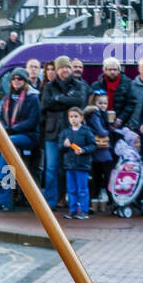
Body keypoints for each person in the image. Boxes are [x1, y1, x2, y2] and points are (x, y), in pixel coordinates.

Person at [40, 56, 89, 207]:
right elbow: (45, 105)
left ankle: (72, 202)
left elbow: (80, 102)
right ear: (56, 69)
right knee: (51, 168)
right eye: (61, 67)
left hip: (72, 133)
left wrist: (58, 99)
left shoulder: (79, 85)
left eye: (67, 67)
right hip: (52, 132)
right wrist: (67, 99)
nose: (65, 70)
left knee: (72, 168)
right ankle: (50, 202)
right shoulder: (49, 86)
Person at [0, 70, 40, 212]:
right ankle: (4, 202)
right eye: (13, 78)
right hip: (11, 138)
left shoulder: (33, 98)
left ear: (25, 81)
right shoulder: (6, 99)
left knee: (8, 144)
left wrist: (12, 129)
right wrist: (6, 129)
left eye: (20, 78)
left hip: (28, 136)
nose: (16, 80)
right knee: (9, 164)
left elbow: (33, 121)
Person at [61, 106, 95, 220]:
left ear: (81, 118)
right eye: (71, 117)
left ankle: (83, 210)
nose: (73, 119)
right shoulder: (66, 132)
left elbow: (93, 145)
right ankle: (73, 209)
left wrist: (83, 150)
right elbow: (60, 148)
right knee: (71, 189)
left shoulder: (86, 131)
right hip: (69, 165)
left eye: (76, 116)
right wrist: (64, 145)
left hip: (82, 165)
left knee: (82, 189)